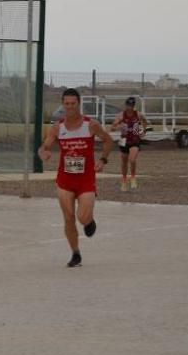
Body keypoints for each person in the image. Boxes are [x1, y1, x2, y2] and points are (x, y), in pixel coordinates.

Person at [38, 88, 113, 268]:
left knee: (82, 217)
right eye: (67, 104)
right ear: (63, 105)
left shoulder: (91, 125)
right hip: (65, 179)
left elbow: (108, 140)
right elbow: (44, 147)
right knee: (69, 217)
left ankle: (89, 221)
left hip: (86, 179)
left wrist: (103, 160)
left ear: (79, 104)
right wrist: (43, 153)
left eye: (73, 104)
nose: (70, 107)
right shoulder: (58, 127)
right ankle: (75, 253)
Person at [110, 96, 149, 192]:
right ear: (126, 105)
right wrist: (118, 127)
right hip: (124, 140)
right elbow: (112, 127)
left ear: (134, 106)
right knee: (124, 162)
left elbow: (144, 121)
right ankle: (124, 180)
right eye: (128, 105)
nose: (129, 108)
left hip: (135, 140)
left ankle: (133, 177)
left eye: (131, 106)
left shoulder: (138, 114)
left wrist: (143, 130)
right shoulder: (121, 115)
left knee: (132, 159)